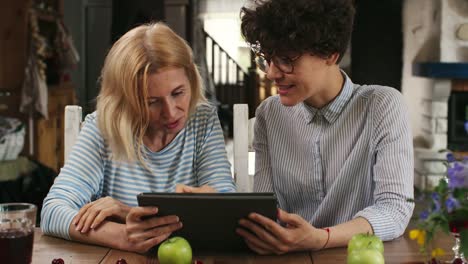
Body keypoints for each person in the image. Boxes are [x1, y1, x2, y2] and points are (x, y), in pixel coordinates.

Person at [236, 0, 414, 254]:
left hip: (358, 256)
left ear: (331, 54)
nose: (271, 73)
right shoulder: (269, 114)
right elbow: (266, 212)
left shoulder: (382, 105)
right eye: (267, 58)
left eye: (286, 59)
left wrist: (321, 238)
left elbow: (395, 210)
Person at [41, 22, 236, 253]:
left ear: (192, 80)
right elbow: (53, 211)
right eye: (151, 102)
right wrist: (122, 235)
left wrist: (125, 213)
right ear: (126, 100)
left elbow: (226, 207)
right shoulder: (102, 127)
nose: (171, 112)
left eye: (178, 93)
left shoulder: (202, 121)